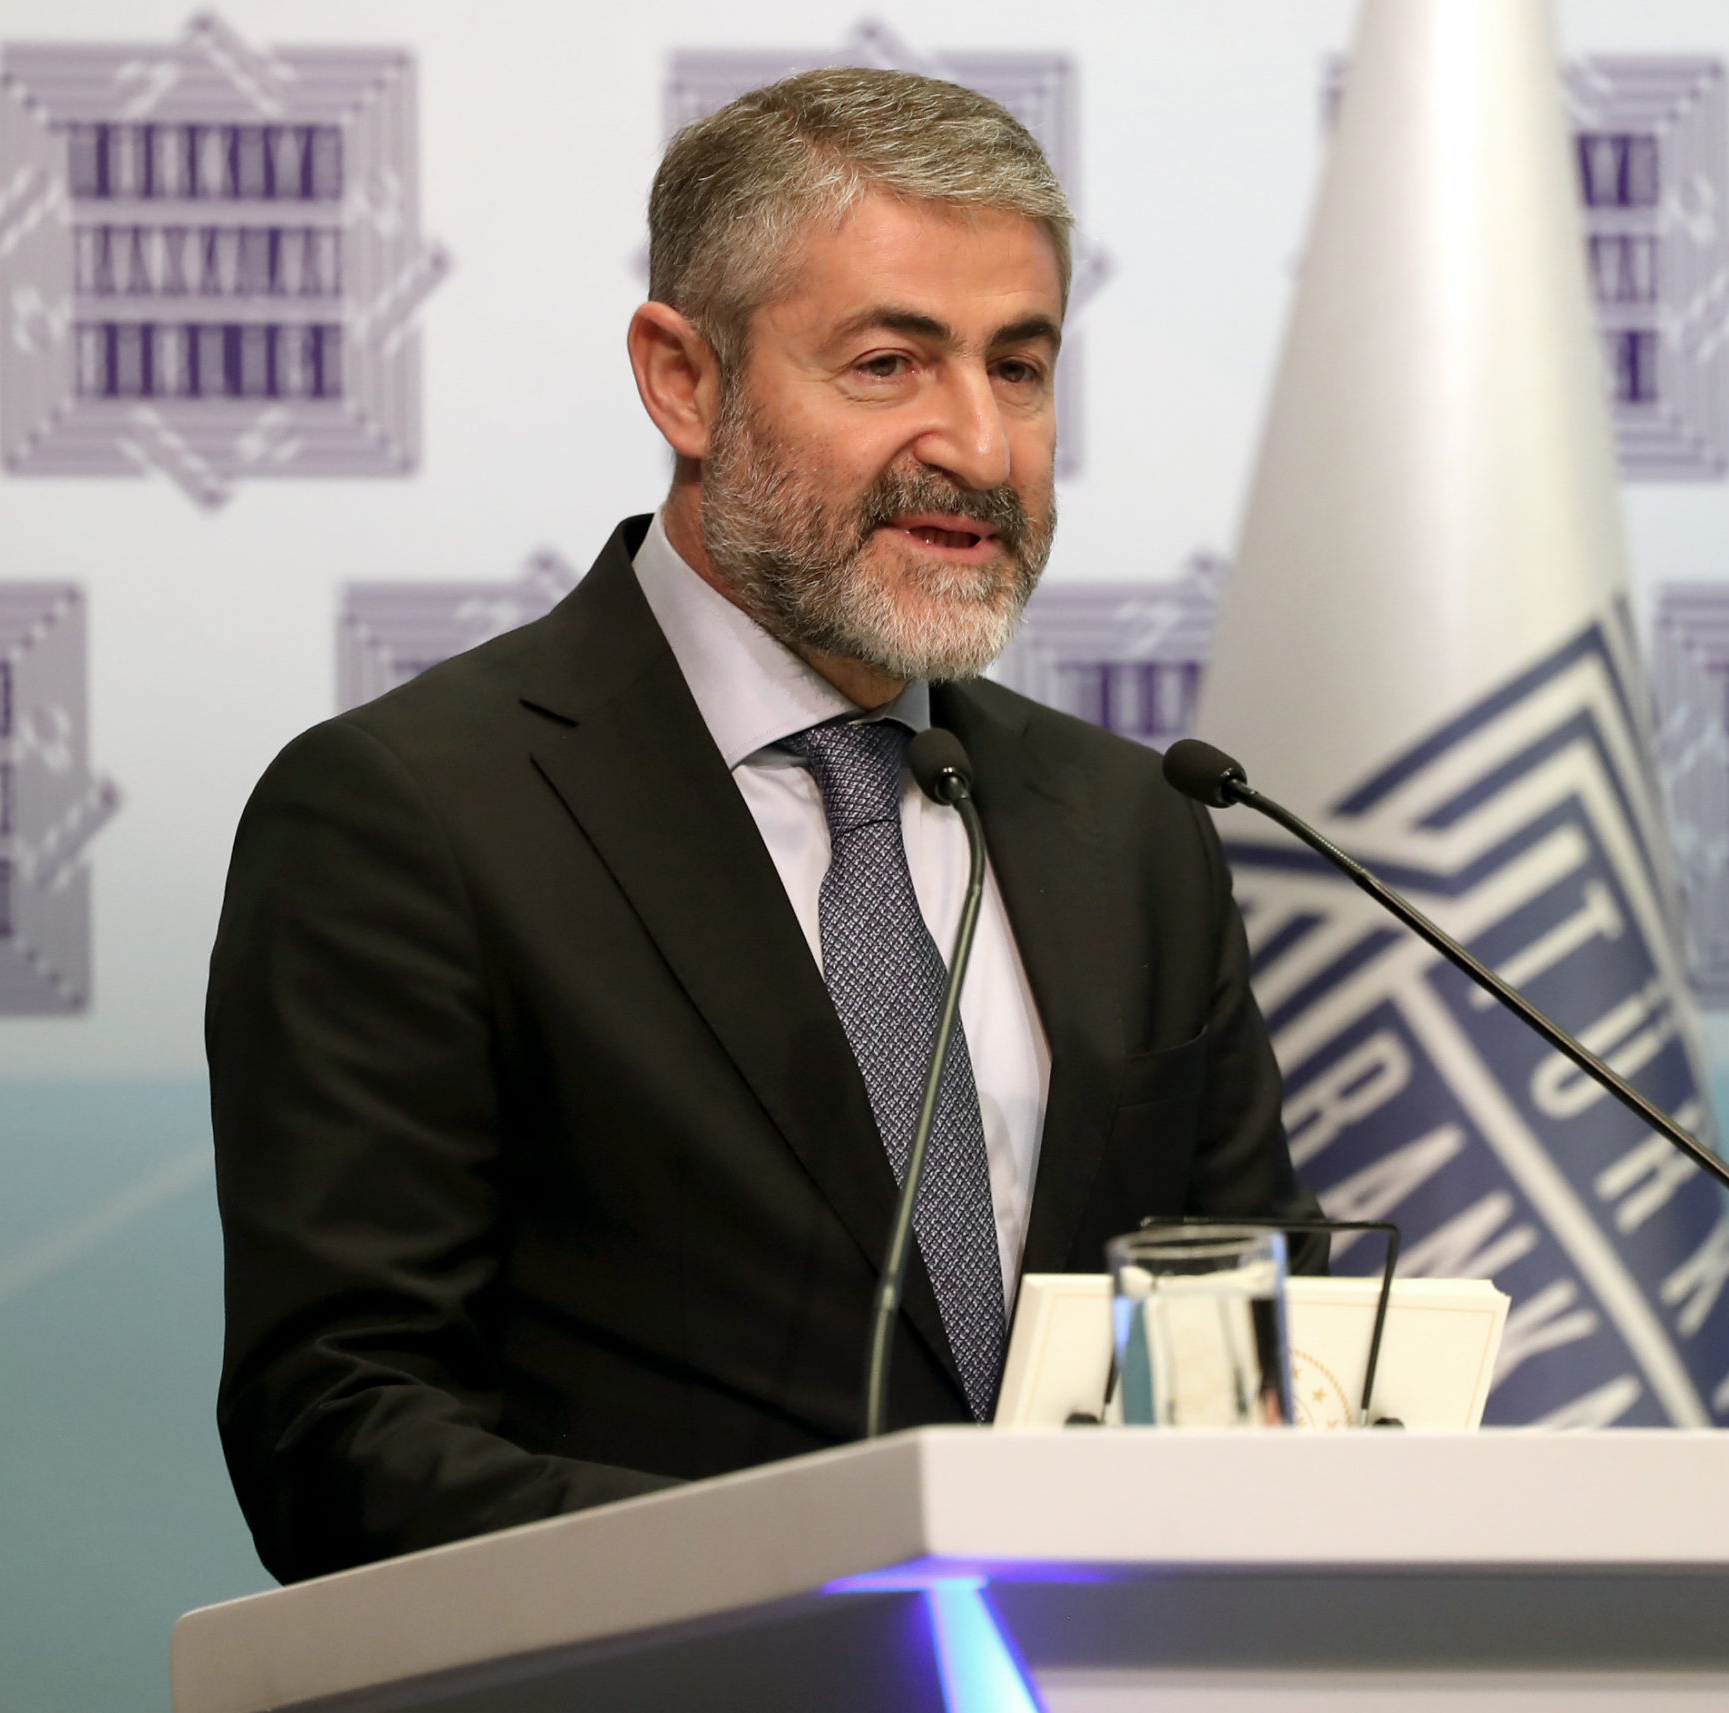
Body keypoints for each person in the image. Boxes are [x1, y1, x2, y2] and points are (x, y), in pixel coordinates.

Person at [207, 68, 1317, 1584]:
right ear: (685, 381)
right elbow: (339, 1431)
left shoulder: (1134, 827)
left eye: (1019, 367)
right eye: (888, 363)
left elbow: (1257, 1359)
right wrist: (827, 1577)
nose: (979, 446)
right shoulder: (412, 818)